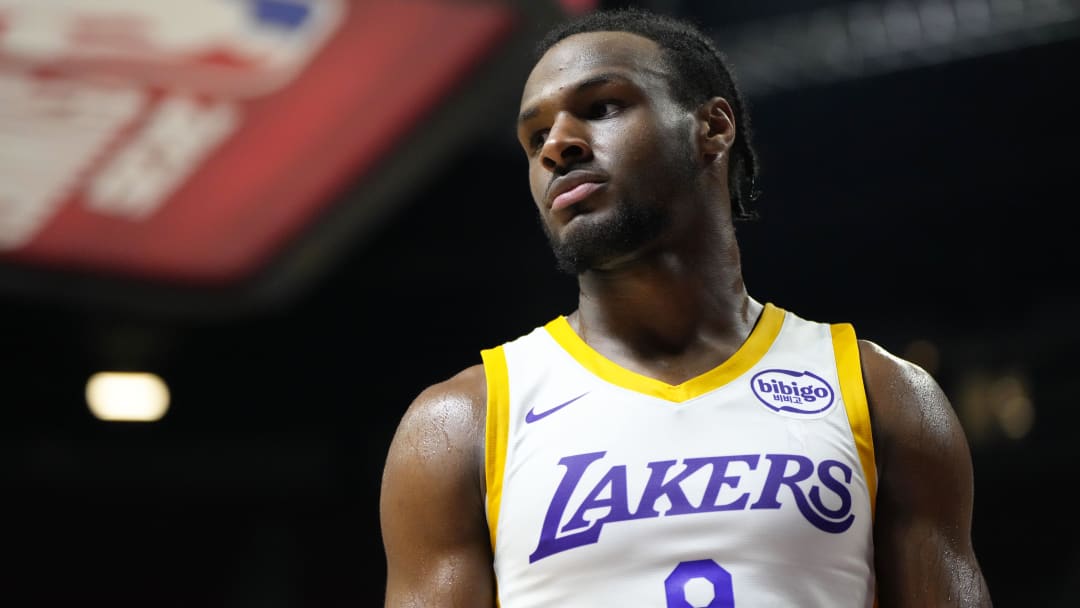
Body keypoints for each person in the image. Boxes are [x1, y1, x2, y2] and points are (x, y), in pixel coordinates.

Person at [379, 7, 993, 607]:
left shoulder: (878, 391)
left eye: (602, 108)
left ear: (713, 128)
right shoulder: (461, 424)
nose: (557, 146)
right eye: (536, 135)